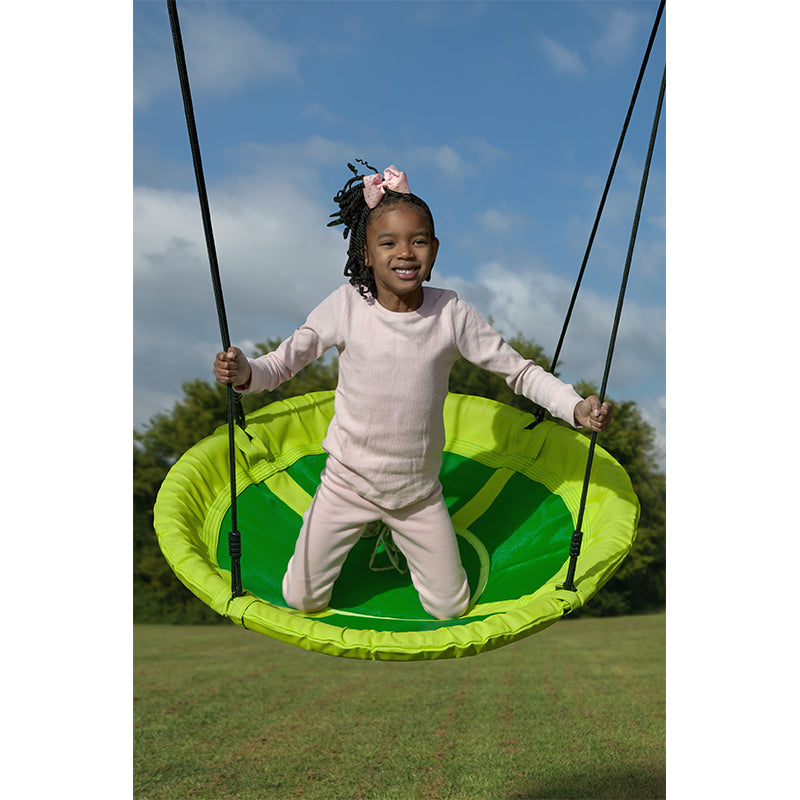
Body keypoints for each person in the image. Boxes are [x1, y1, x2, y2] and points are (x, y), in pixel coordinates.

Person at [214, 161, 612, 620]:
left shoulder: (451, 313)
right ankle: (359, 527)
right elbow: (281, 364)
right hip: (347, 483)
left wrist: (574, 406)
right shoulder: (346, 305)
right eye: (389, 243)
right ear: (366, 253)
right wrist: (245, 370)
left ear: (435, 250)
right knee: (302, 600)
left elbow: (519, 372)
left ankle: (390, 532)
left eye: (418, 241)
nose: (405, 253)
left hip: (417, 493)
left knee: (450, 608)